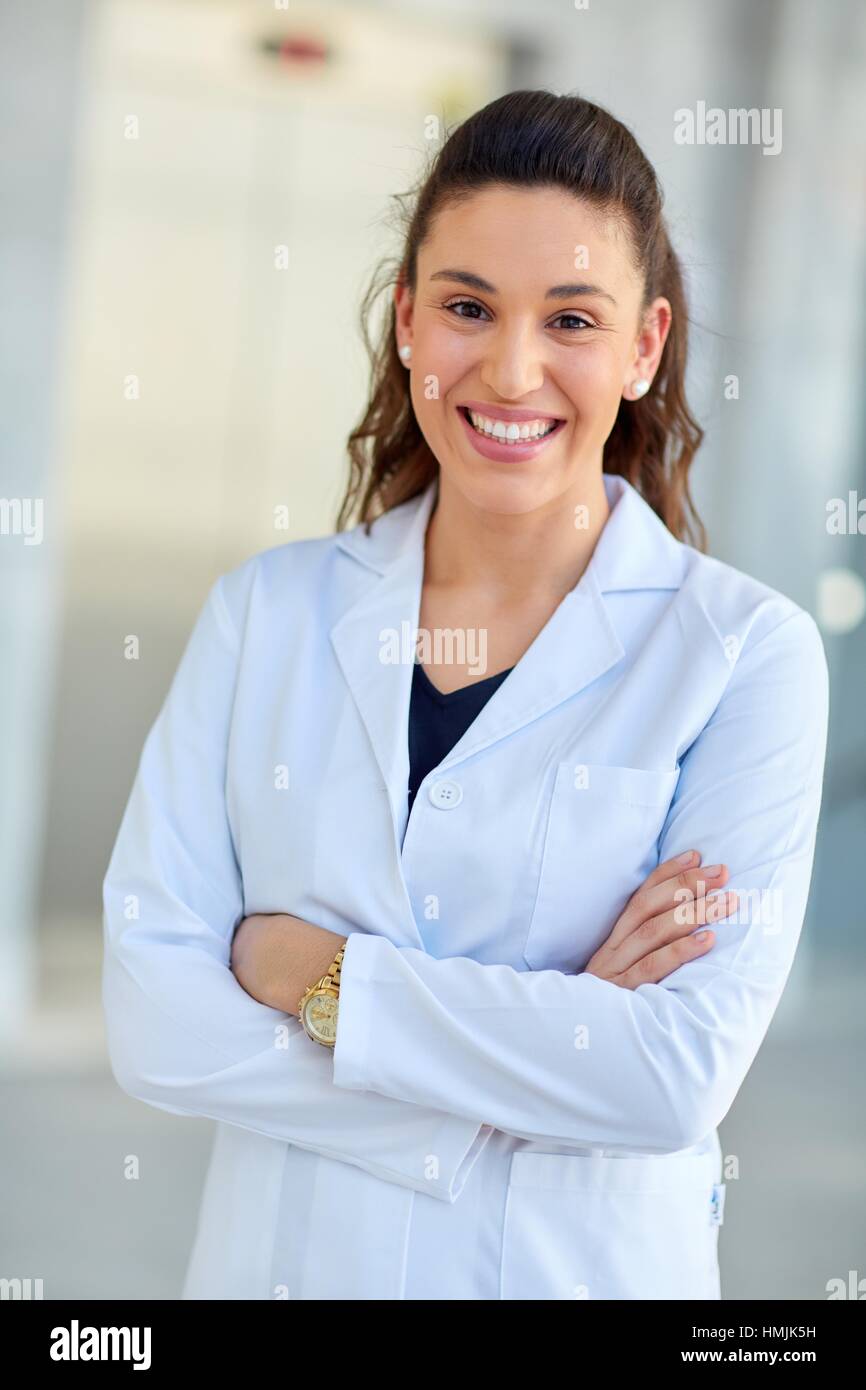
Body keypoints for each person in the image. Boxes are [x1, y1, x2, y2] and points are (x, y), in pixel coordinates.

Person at [102, 90, 829, 1300]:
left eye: (571, 319)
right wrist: (519, 1073)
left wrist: (314, 978)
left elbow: (667, 1075)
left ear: (643, 347)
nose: (509, 368)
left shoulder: (743, 654)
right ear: (404, 320)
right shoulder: (264, 616)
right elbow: (154, 1013)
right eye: (466, 307)